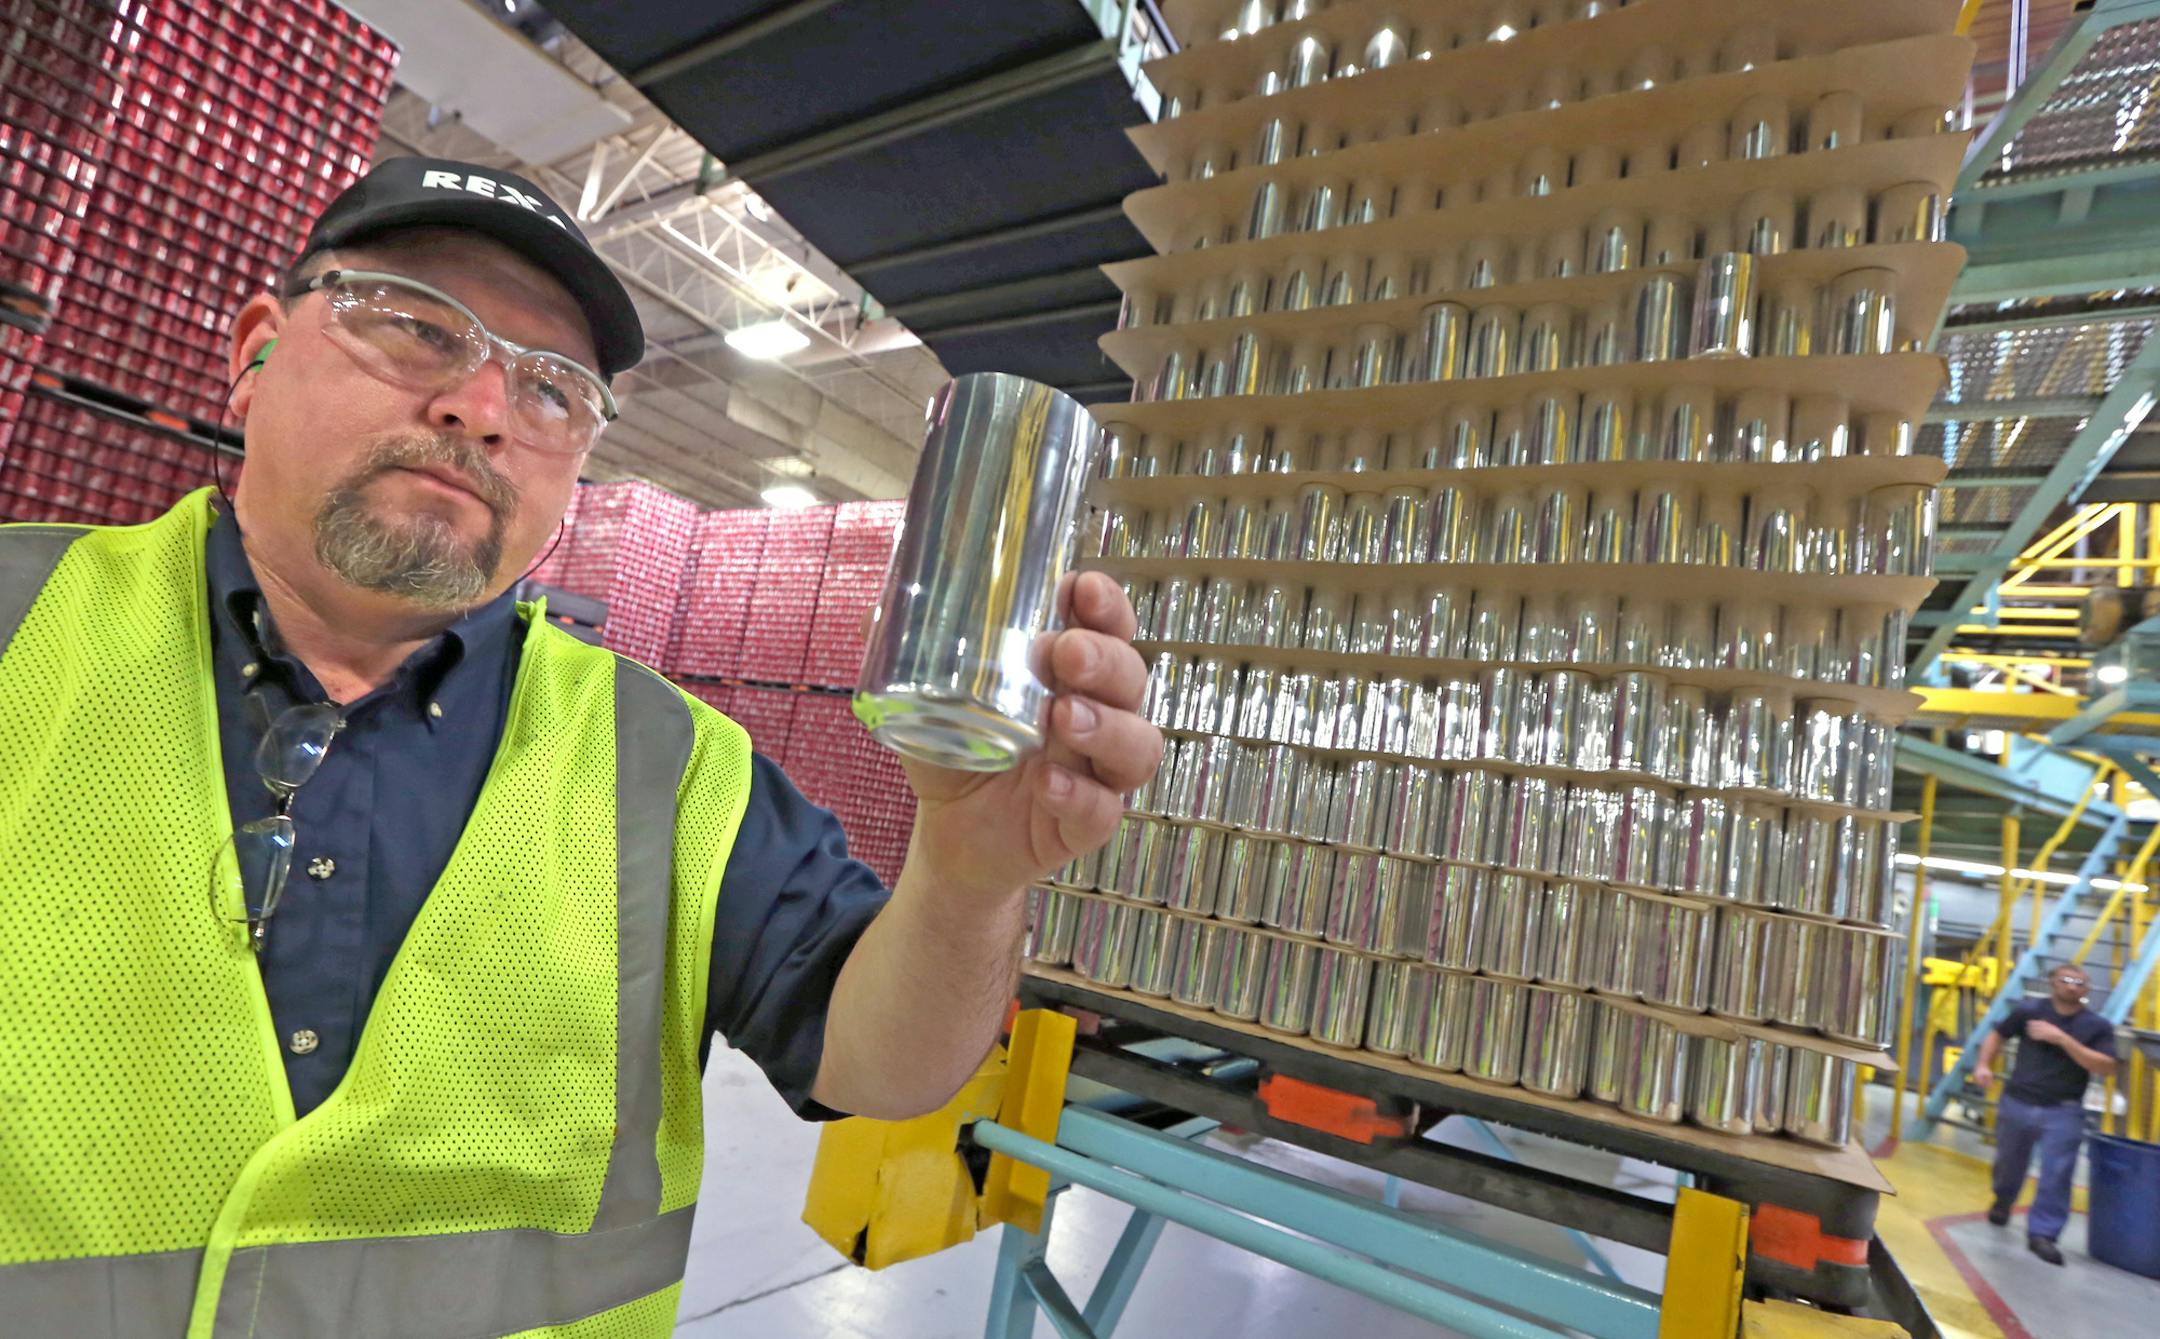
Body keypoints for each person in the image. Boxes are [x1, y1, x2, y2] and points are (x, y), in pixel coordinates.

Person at [0, 156, 1162, 1336]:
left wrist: (969, 876)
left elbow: (881, 1067)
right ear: (253, 350)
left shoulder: (671, 765)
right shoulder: (16, 631)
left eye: (552, 391)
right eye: (415, 329)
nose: (481, 409)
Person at [1972, 962, 2120, 1265]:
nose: (2072, 986)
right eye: (2066, 980)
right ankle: (2003, 1199)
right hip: (2018, 1102)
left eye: (2080, 982)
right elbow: (1997, 1035)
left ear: (2087, 989)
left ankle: (2043, 1233)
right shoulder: (2028, 1011)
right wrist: (1983, 1065)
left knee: (2057, 1174)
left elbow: (2106, 1066)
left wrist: (2062, 1039)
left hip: (2063, 1111)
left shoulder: (2097, 1026)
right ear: (2053, 983)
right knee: (2008, 1163)